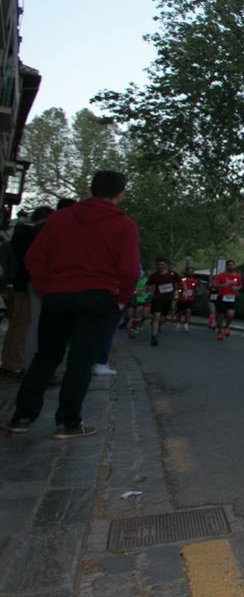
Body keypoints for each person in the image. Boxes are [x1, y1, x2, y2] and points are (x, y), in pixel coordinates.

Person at [5, 171, 139, 439]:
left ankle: (21, 416)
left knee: (46, 357)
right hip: (99, 297)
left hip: (58, 294)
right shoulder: (124, 225)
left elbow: (34, 258)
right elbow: (129, 269)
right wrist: (122, 299)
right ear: (121, 194)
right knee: (81, 361)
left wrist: (46, 289)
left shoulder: (60, 219)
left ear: (91, 190)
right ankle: (67, 422)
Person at [1, 206, 52, 377]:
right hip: (28, 284)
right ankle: (16, 363)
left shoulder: (20, 235)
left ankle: (10, 361)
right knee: (25, 325)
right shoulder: (34, 235)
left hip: (19, 283)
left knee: (17, 324)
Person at [145, 257, 180, 347]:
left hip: (168, 299)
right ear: (156, 265)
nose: (160, 266)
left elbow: (180, 281)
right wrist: (147, 290)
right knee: (156, 316)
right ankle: (154, 336)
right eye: (158, 265)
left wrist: (184, 289)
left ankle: (159, 324)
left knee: (162, 318)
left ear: (166, 265)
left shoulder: (172, 274)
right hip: (157, 298)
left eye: (162, 264)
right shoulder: (153, 276)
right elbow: (147, 285)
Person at [210, 260, 243, 342]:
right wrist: (222, 285)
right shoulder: (221, 275)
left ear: (234, 266)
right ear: (226, 266)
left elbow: (240, 285)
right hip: (222, 297)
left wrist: (237, 288)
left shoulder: (238, 276)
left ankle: (227, 326)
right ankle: (220, 331)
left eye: (232, 265)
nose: (231, 266)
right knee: (220, 317)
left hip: (232, 298)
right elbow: (214, 284)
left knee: (231, 315)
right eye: (229, 265)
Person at [176, 262, 200, 332]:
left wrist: (196, 290)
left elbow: (196, 289)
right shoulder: (183, 279)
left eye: (191, 272)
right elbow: (177, 287)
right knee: (180, 312)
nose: (190, 273)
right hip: (182, 298)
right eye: (189, 271)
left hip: (190, 298)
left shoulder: (195, 280)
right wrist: (181, 289)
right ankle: (178, 322)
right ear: (186, 272)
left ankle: (186, 324)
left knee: (188, 311)